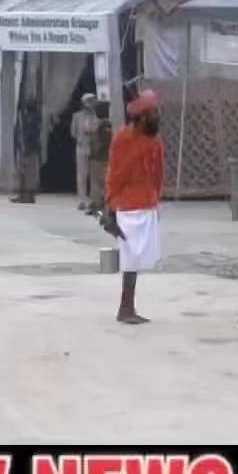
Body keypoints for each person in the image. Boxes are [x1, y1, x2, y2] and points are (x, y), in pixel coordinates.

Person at [103, 90, 164, 325]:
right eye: (153, 113)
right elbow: (115, 174)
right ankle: (125, 308)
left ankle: (128, 306)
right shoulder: (122, 139)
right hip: (127, 206)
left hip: (147, 204)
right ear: (141, 116)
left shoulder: (155, 140)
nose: (157, 116)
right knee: (130, 258)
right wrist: (110, 205)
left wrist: (156, 200)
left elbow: (158, 173)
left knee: (137, 260)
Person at [69, 94, 100, 210]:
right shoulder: (77, 116)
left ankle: (93, 200)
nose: (91, 104)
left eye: (93, 101)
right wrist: (81, 138)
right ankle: (82, 200)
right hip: (81, 147)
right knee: (82, 175)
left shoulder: (96, 116)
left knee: (94, 175)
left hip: (94, 149)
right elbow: (73, 132)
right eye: (89, 101)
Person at [10, 97, 41, 204]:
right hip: (27, 149)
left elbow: (29, 135)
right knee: (24, 173)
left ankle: (27, 196)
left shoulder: (32, 119)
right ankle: (24, 195)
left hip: (29, 149)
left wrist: (24, 147)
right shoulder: (28, 118)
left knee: (28, 174)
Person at [87, 101, 113, 215]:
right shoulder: (104, 124)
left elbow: (103, 142)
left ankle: (99, 205)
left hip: (99, 157)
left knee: (99, 182)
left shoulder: (103, 125)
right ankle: (99, 204)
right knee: (100, 182)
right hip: (102, 156)